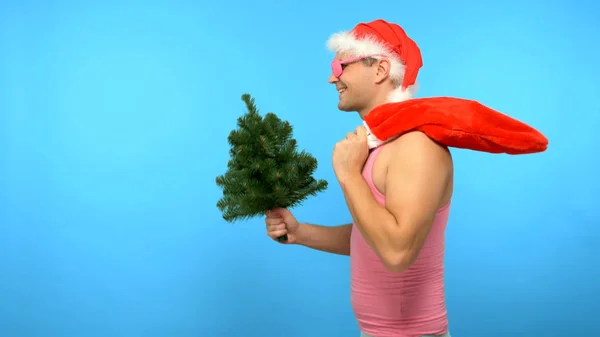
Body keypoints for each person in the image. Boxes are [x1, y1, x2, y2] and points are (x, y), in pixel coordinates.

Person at [265, 19, 453, 337]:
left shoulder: (416, 145)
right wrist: (300, 232)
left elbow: (396, 252)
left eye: (340, 66)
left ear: (380, 70)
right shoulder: (381, 144)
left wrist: (350, 176)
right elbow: (373, 236)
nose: (331, 77)